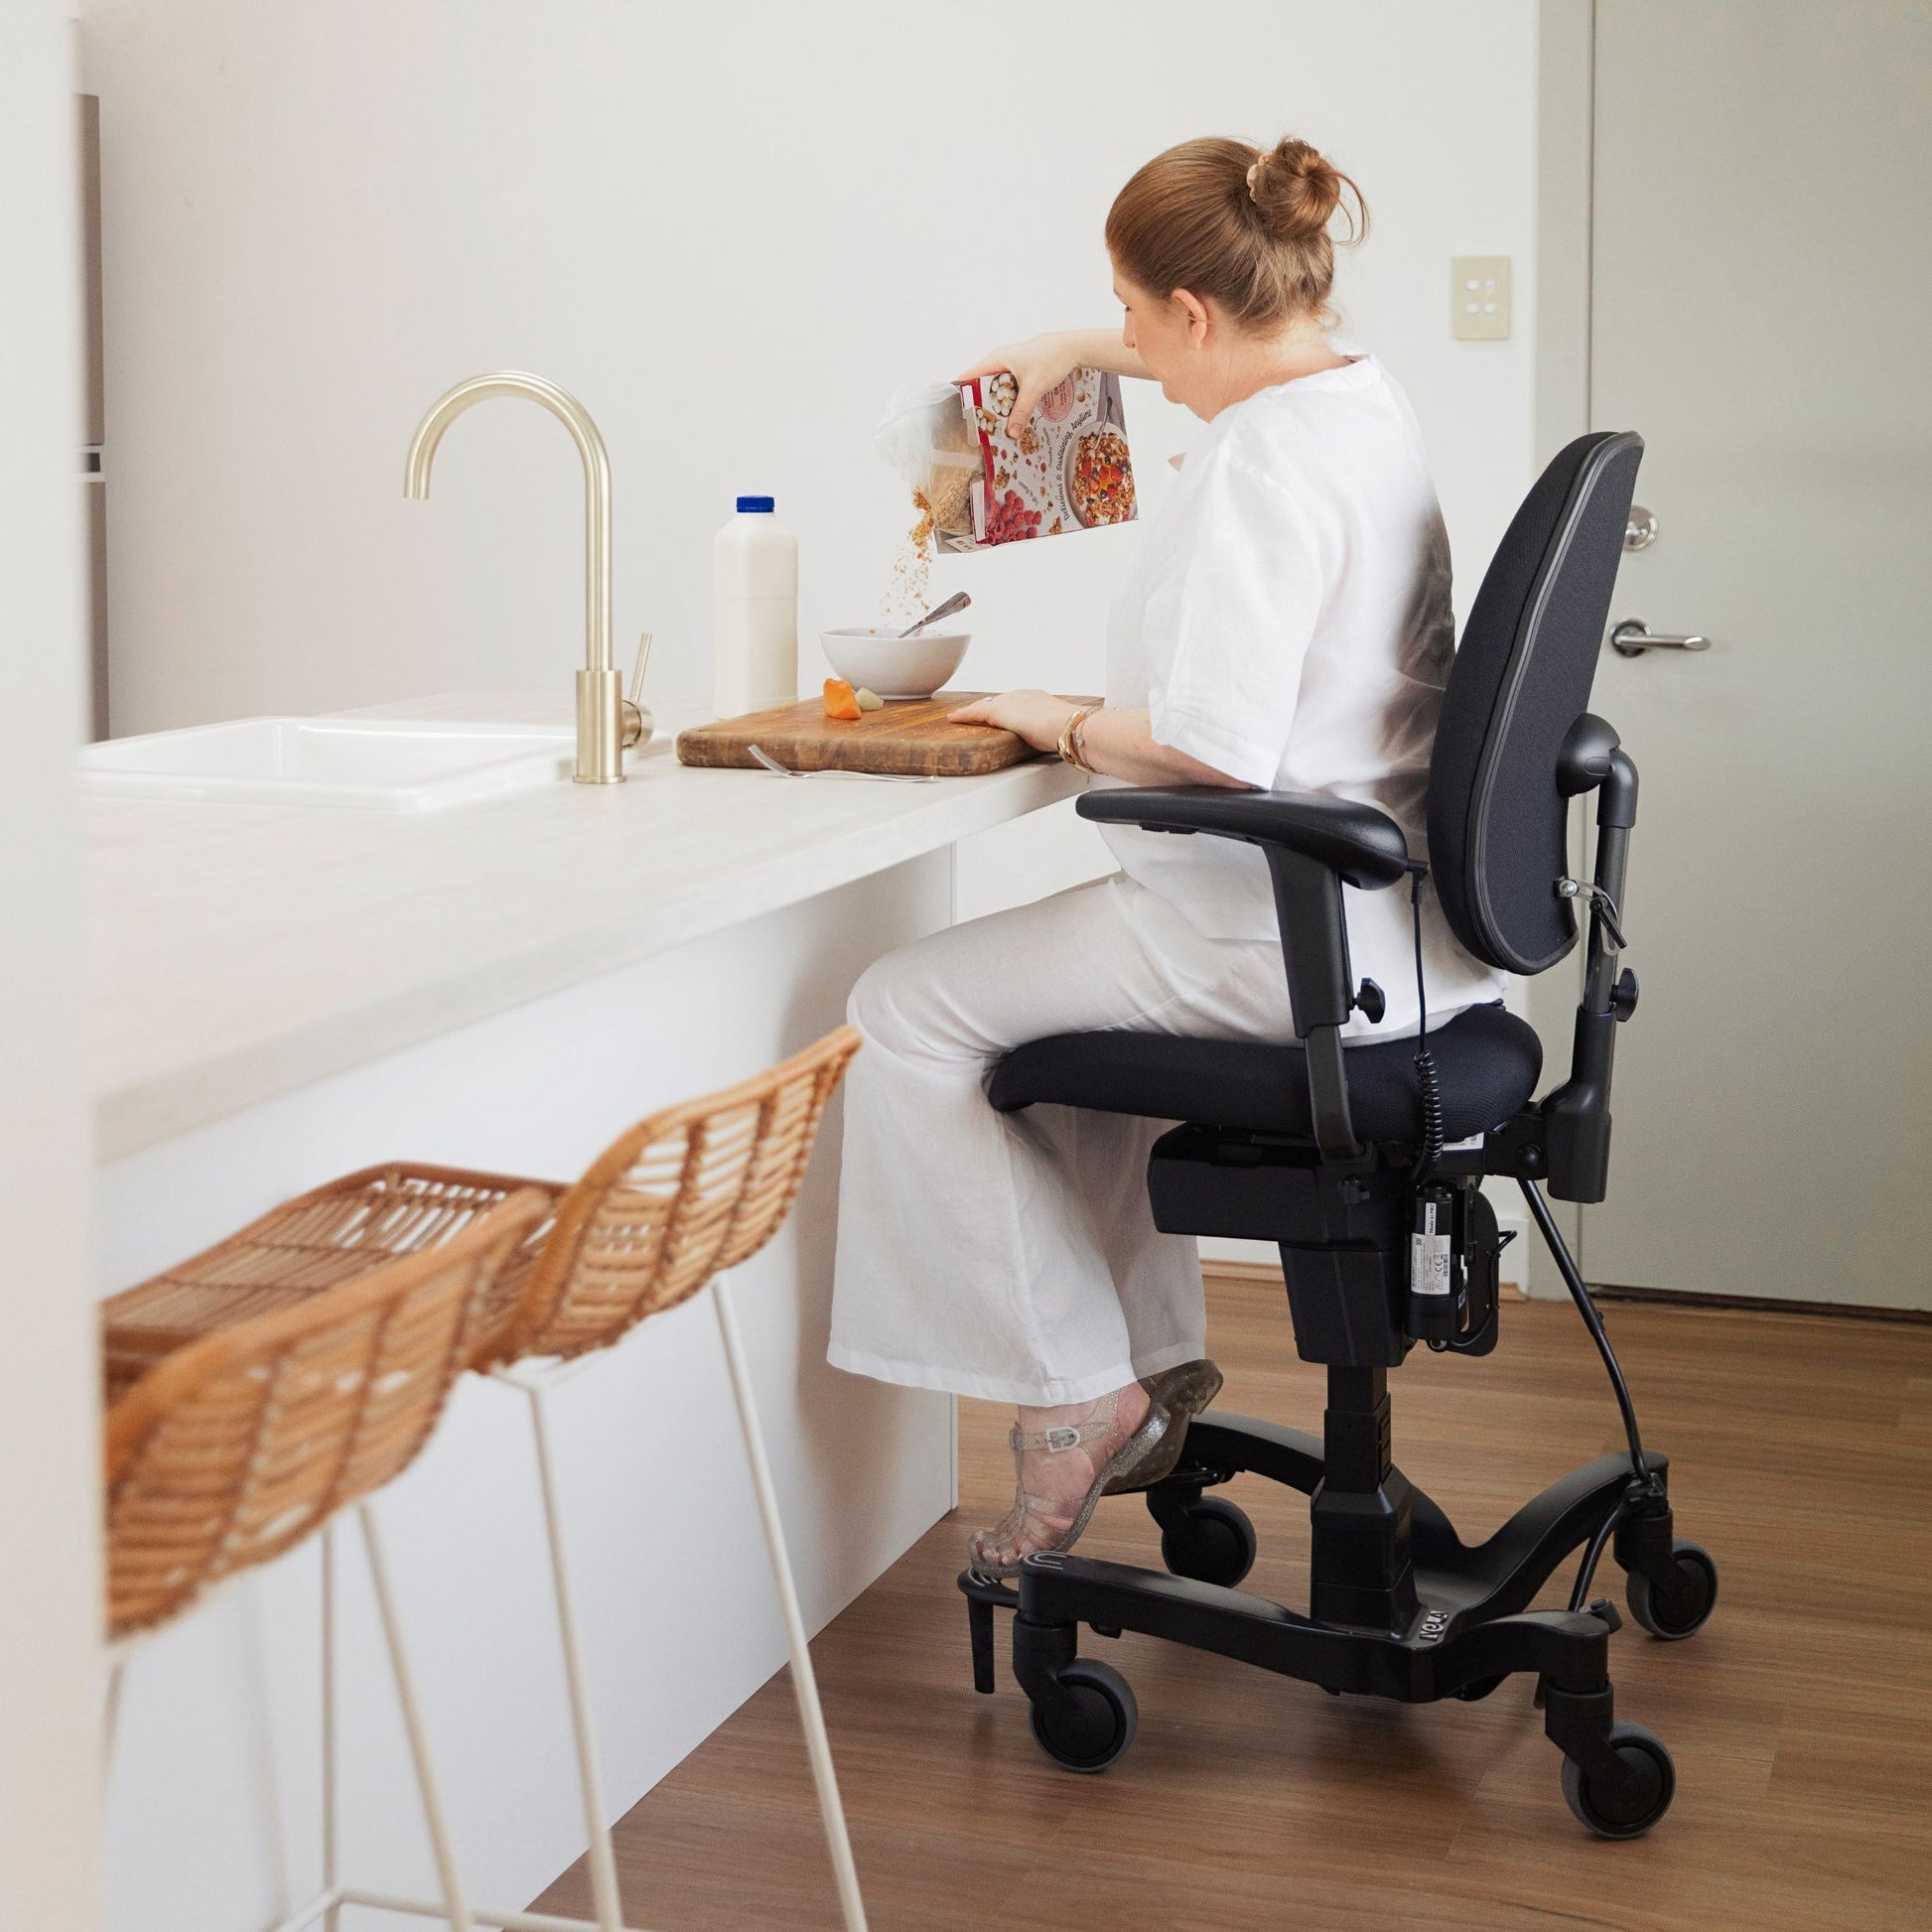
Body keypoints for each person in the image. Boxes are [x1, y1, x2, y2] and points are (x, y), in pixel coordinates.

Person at [827, 134, 1507, 1579]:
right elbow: (1230, 359)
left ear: (1192, 313)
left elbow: (1208, 739)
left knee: (900, 1009)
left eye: (1132, 315)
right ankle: (1142, 1367)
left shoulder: (1260, 463)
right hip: (1398, 939)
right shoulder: (1354, 401)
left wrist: (1052, 716)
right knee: (1052, 1033)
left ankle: (1078, 1382)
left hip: (1273, 940)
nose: (1129, 343)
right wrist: (1076, 343)